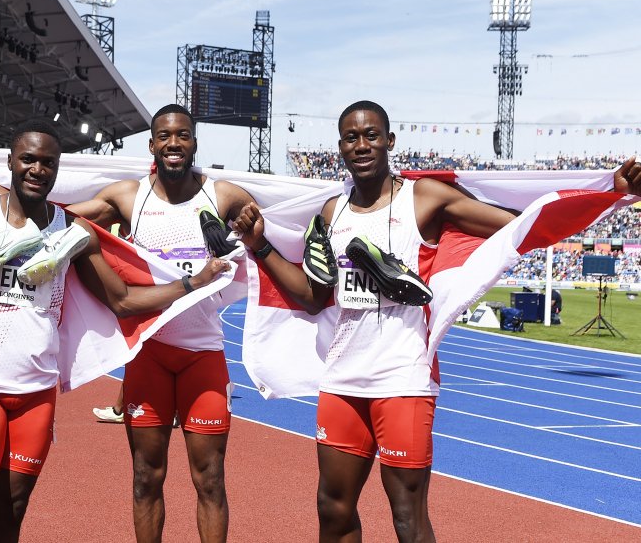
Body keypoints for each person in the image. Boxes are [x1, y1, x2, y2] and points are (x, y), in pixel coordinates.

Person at [232, 100, 641, 543]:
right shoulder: (333, 213)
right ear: (341, 148)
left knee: (407, 518)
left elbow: (519, 227)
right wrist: (260, 246)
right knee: (332, 510)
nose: (362, 144)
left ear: (389, 142)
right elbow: (314, 299)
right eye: (352, 137)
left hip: (404, 378)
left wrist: (610, 192)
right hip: (343, 380)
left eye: (372, 135)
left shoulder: (423, 197)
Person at [0, 121, 230, 542]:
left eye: (47, 163)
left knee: (13, 511)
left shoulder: (71, 231)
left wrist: (192, 283)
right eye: (28, 160)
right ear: (10, 162)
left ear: (57, 169)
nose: (37, 169)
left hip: (36, 393)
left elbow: (123, 301)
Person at [68, 104, 255, 543]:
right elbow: (60, 220)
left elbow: (272, 223)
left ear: (194, 143)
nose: (174, 143)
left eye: (183, 135)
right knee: (145, 478)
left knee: (210, 480)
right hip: (149, 355)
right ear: (152, 145)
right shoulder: (131, 197)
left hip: (203, 356)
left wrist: (250, 223)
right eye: (165, 136)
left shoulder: (221, 195)